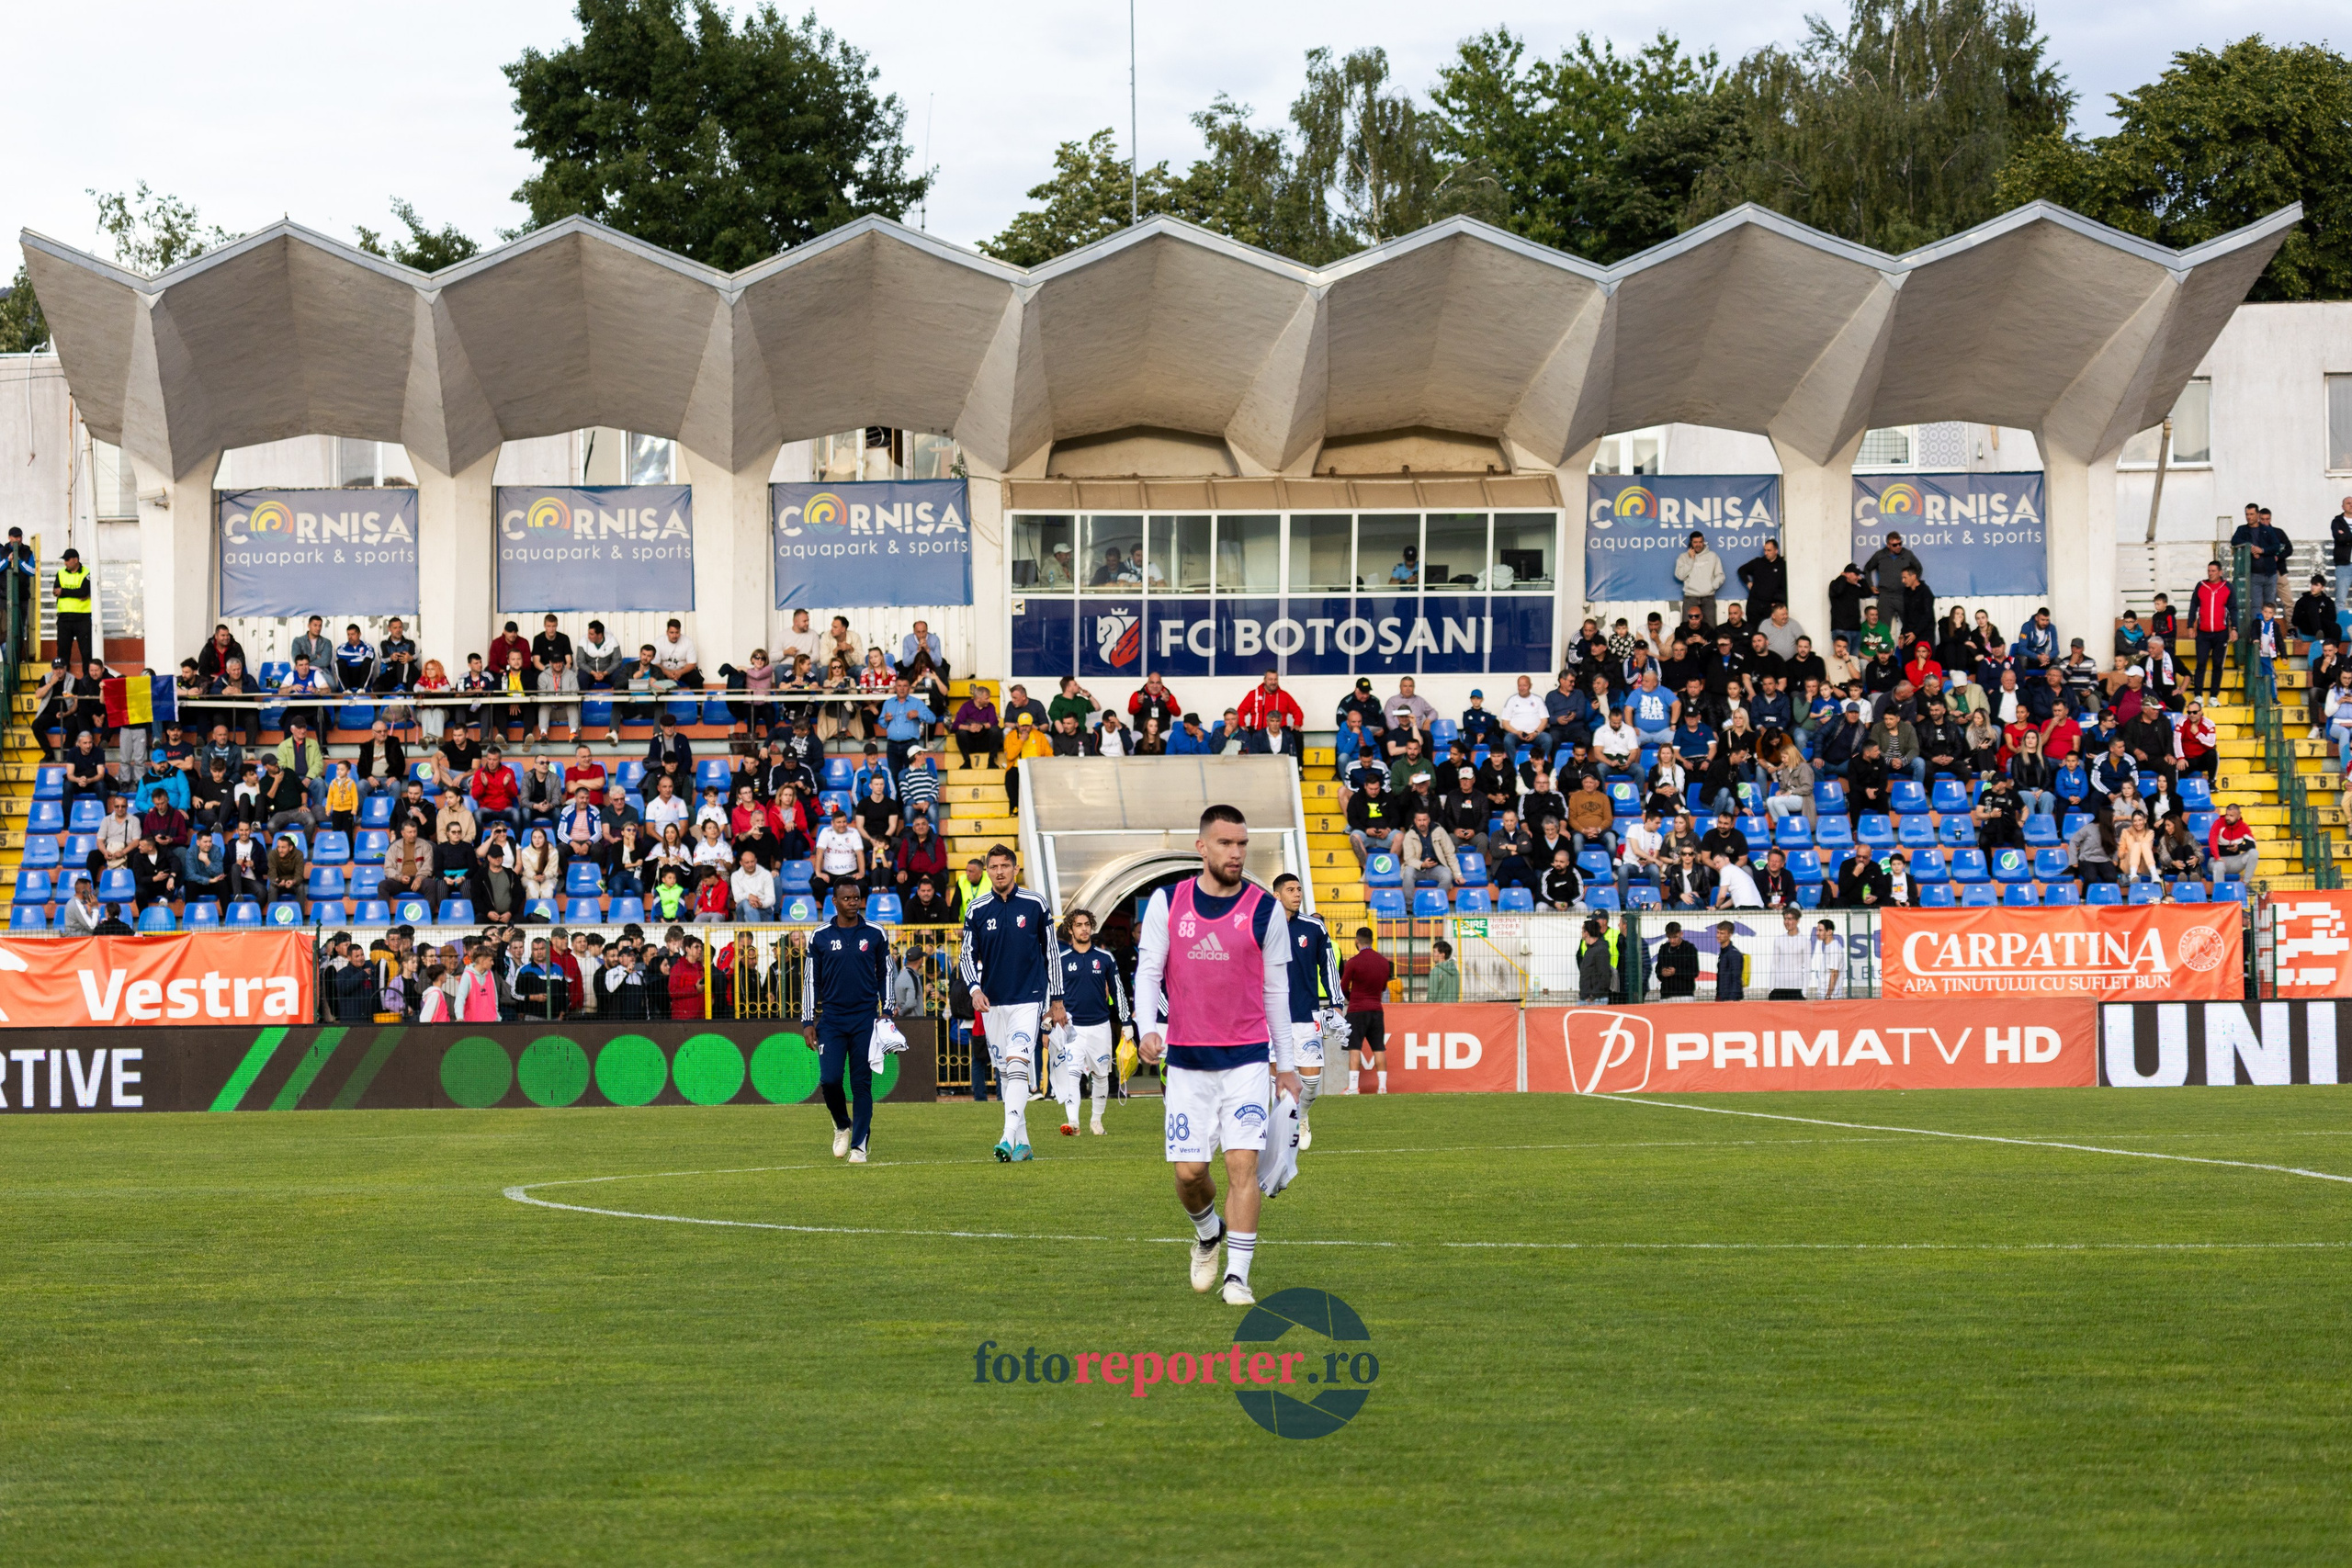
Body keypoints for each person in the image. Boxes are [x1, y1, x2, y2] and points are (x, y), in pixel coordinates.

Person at [1133, 804, 1301, 1307]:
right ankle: (1208, 1232)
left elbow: (1277, 992)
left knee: (1242, 1166)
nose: (1237, 853)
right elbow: (1147, 973)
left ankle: (1238, 1277)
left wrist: (1286, 1066)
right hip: (1186, 1063)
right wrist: (1146, 1028)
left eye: (1243, 843)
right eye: (1227, 843)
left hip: (1247, 1060)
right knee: (1189, 1175)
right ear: (1202, 846)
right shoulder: (1167, 902)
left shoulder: (1266, 910)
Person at [960, 843, 1059, 1161]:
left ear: (1015, 869)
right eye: (994, 867)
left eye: (1005, 866)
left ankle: (1005, 1137)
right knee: (1005, 1071)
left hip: (1028, 999)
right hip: (992, 1003)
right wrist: (975, 989)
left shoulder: (1035, 904)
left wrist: (1056, 998)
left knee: (1017, 1064)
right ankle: (1024, 1143)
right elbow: (965, 956)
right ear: (986, 871)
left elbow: (1052, 953)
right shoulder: (976, 909)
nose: (999, 872)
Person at [800, 879, 897, 1162]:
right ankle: (842, 1124)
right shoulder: (819, 935)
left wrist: (887, 1010)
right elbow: (810, 980)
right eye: (847, 898)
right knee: (829, 1080)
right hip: (831, 1019)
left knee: (861, 1083)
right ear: (835, 901)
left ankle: (859, 1146)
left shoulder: (876, 933)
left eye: (856, 898)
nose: (853, 902)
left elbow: (886, 974)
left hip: (865, 1019)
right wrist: (808, 1020)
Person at [1046, 907, 1128, 1139]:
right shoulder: (1061, 960)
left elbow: (1118, 991)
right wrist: (1047, 1023)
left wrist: (1126, 1022)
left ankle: (1096, 1121)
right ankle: (1073, 1122)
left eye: (1087, 925)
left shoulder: (1105, 958)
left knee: (1101, 1076)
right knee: (1072, 1072)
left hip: (1100, 1026)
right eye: (1079, 925)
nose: (1084, 929)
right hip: (1071, 1027)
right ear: (1070, 929)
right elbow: (1051, 995)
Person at [1340, 926, 1392, 1096]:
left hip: (1356, 1010)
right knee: (1379, 1048)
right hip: (1376, 1009)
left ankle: (1354, 1087)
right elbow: (1383, 987)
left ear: (1357, 940)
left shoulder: (1353, 962)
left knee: (1354, 1048)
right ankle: (1382, 1087)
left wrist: (1350, 997)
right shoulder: (1383, 962)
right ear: (1372, 941)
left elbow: (1342, 986)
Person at [52, 547, 94, 671]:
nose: (65, 562)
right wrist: (76, 593)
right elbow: (56, 591)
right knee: (63, 651)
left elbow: (84, 591)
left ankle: (87, 679)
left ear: (76, 560)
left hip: (82, 617)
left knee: (86, 652)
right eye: (64, 560)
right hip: (64, 618)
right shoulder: (60, 573)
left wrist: (64, 591)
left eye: (67, 560)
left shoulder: (87, 573)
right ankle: (63, 679)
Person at [1674, 532, 1724, 622]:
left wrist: (1712, 587)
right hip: (1690, 597)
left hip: (1708, 597)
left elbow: (1720, 575)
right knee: (1687, 626)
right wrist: (1691, 559)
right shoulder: (1683, 557)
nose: (1698, 545)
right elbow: (1680, 576)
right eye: (1695, 542)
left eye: (1700, 542)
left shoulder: (1713, 556)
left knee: (1710, 628)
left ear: (1704, 542)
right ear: (1691, 543)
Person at [1653, 922, 1700, 1000]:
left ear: (1681, 934)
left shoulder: (1689, 948)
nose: (1672, 940)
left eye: (1675, 937)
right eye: (1670, 937)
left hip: (1685, 994)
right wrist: (1662, 972)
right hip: (1666, 994)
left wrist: (1676, 972)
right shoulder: (1664, 948)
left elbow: (1694, 972)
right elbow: (1658, 969)